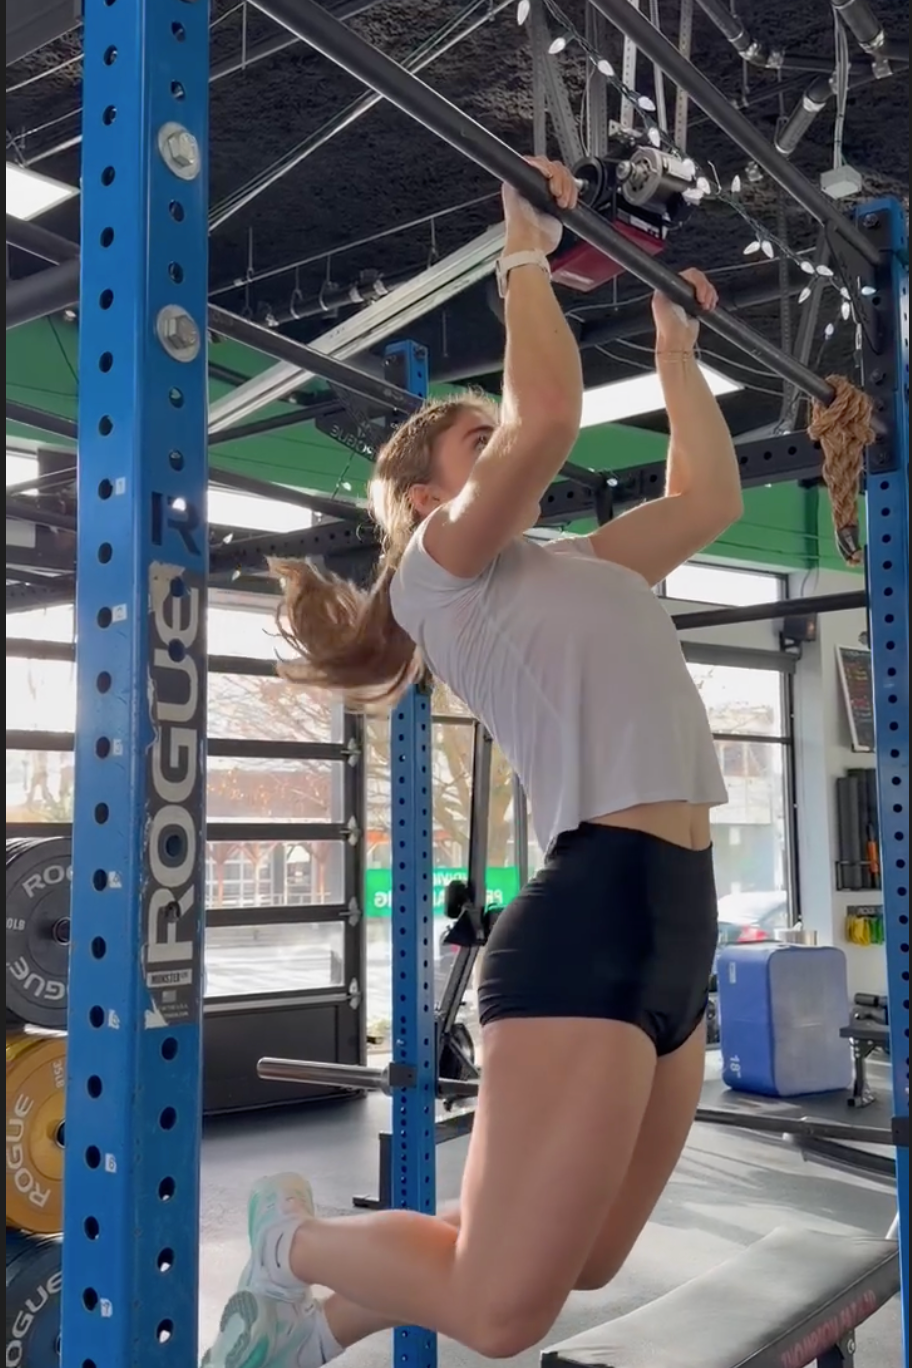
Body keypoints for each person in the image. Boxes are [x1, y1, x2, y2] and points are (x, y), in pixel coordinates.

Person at [202, 157, 741, 1368]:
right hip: (591, 918)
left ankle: (319, 1324)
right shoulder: (441, 573)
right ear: (417, 492)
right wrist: (523, 247)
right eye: (474, 438)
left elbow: (708, 496)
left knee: (586, 1252)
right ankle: (296, 1241)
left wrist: (671, 342)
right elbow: (548, 413)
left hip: (678, 920)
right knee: (505, 1316)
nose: (505, 444)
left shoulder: (583, 563)